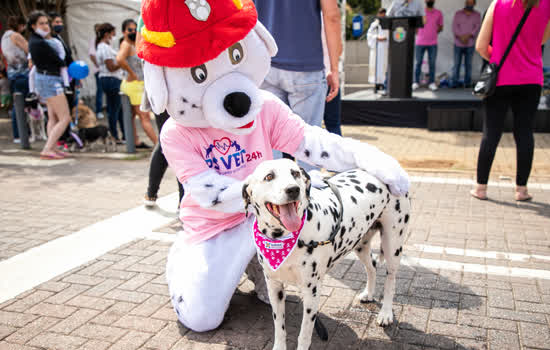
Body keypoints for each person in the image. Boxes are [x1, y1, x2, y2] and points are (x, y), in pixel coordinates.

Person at [471, 0, 550, 201]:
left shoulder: (498, 4)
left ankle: (481, 187)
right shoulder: (546, 5)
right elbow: (541, 40)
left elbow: (481, 46)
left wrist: (498, 59)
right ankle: (521, 190)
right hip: (531, 79)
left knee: (491, 133)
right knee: (525, 133)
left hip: (501, 80)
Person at [255, 0, 343, 168]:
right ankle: (311, 190)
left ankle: (272, 192)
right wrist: (334, 67)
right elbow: (332, 16)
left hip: (265, 62)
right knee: (309, 144)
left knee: (270, 143)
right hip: (306, 65)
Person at [28, 11, 71, 159]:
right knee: (65, 117)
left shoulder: (39, 40)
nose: (45, 26)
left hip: (48, 79)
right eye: (41, 23)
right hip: (50, 81)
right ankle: (48, 148)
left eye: (46, 23)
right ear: (33, 26)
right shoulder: (39, 42)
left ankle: (52, 146)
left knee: (53, 117)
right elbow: (60, 61)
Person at [117, 19, 157, 149]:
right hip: (133, 85)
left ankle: (135, 142)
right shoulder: (126, 45)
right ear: (123, 32)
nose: (133, 32)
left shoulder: (133, 44)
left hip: (137, 84)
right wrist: (131, 74)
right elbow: (119, 59)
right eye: (130, 30)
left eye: (135, 29)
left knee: (133, 115)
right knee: (144, 116)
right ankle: (159, 146)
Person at [1, 16, 29, 143]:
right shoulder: (16, 36)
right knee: (24, 104)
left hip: (11, 73)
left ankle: (18, 134)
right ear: (20, 25)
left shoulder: (4, 37)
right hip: (21, 72)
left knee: (16, 105)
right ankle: (22, 134)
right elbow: (30, 50)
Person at [95, 23, 124, 142]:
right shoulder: (104, 48)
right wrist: (122, 62)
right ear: (107, 34)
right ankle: (114, 135)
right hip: (111, 79)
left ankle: (123, 134)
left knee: (118, 109)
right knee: (114, 109)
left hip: (110, 79)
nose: (114, 36)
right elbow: (111, 67)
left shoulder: (104, 46)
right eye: (113, 33)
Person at [412, 0, 443, 91]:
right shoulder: (420, 13)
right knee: (418, 63)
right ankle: (415, 82)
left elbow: (441, 26)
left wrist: (433, 32)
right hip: (420, 42)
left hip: (433, 42)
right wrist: (420, 33)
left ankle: (432, 83)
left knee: (432, 63)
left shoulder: (438, 13)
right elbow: (414, 26)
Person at [452, 0, 481, 88]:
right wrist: (461, 37)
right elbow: (454, 26)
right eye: (468, 2)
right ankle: (455, 83)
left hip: (470, 43)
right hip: (458, 43)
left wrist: (468, 36)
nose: (469, 4)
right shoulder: (458, 14)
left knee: (468, 64)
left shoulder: (477, 15)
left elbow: (477, 27)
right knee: (457, 64)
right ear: (465, 3)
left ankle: (467, 83)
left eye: (471, 3)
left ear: (474, 4)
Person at [367, 8, 389, 93]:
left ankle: (383, 83)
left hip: (384, 48)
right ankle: (376, 84)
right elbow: (369, 34)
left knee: (383, 66)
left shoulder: (387, 24)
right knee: (376, 65)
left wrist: (385, 39)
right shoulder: (374, 24)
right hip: (377, 47)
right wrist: (377, 38)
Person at [89, 24, 104, 119]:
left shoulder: (104, 41)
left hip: (105, 71)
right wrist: (98, 65)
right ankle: (98, 110)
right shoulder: (94, 41)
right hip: (99, 71)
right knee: (100, 91)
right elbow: (91, 55)